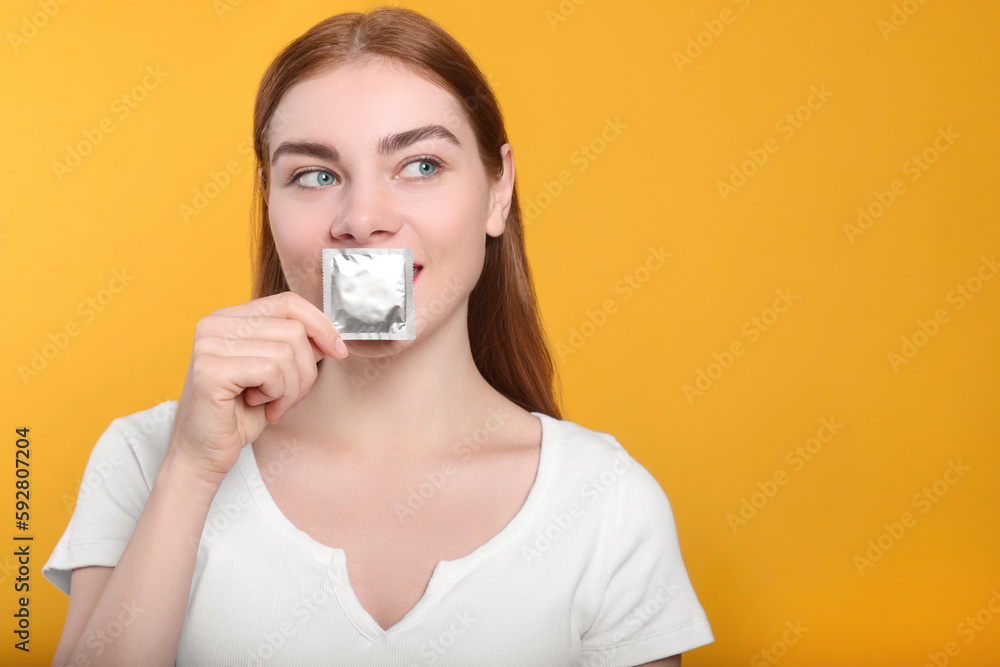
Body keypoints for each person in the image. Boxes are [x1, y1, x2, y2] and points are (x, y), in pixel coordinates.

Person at [43, 6, 714, 665]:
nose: (362, 219)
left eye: (421, 165)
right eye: (315, 174)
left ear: (497, 190)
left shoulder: (607, 503)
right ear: (269, 203)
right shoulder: (145, 459)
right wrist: (189, 475)